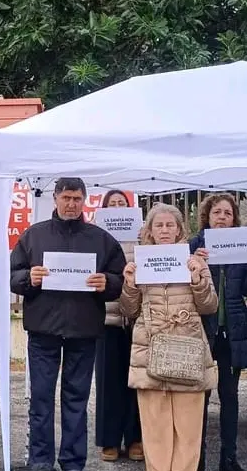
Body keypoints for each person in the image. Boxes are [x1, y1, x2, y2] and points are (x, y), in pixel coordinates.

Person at [10, 177, 125, 471]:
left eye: (76, 199)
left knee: (76, 400)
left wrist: (107, 283)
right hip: (42, 330)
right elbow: (13, 277)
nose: (71, 204)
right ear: (56, 199)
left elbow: (119, 279)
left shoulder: (101, 239)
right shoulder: (33, 236)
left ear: (84, 200)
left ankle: (73, 463)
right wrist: (28, 279)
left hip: (84, 330)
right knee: (41, 399)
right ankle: (40, 462)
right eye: (66, 198)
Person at [118, 203, 217, 471]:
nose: (164, 230)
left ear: (179, 229)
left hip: (188, 350)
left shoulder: (195, 261)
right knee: (155, 431)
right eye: (158, 225)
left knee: (188, 432)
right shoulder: (138, 263)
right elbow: (128, 310)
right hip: (149, 349)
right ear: (149, 230)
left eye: (170, 225)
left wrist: (198, 279)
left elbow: (210, 307)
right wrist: (129, 285)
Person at [188, 194, 247, 471]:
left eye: (227, 213)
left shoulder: (244, 247)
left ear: (234, 219)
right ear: (207, 217)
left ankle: (229, 457)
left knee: (230, 397)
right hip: (203, 331)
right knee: (201, 398)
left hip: (233, 331)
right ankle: (197, 458)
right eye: (217, 212)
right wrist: (193, 263)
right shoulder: (194, 245)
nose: (222, 217)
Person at [94, 189, 142, 463]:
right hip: (108, 320)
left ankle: (135, 438)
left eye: (121, 204)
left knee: (137, 382)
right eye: (111, 205)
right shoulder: (97, 239)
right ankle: (109, 441)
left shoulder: (142, 238)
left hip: (137, 321)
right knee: (108, 384)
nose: (116, 208)